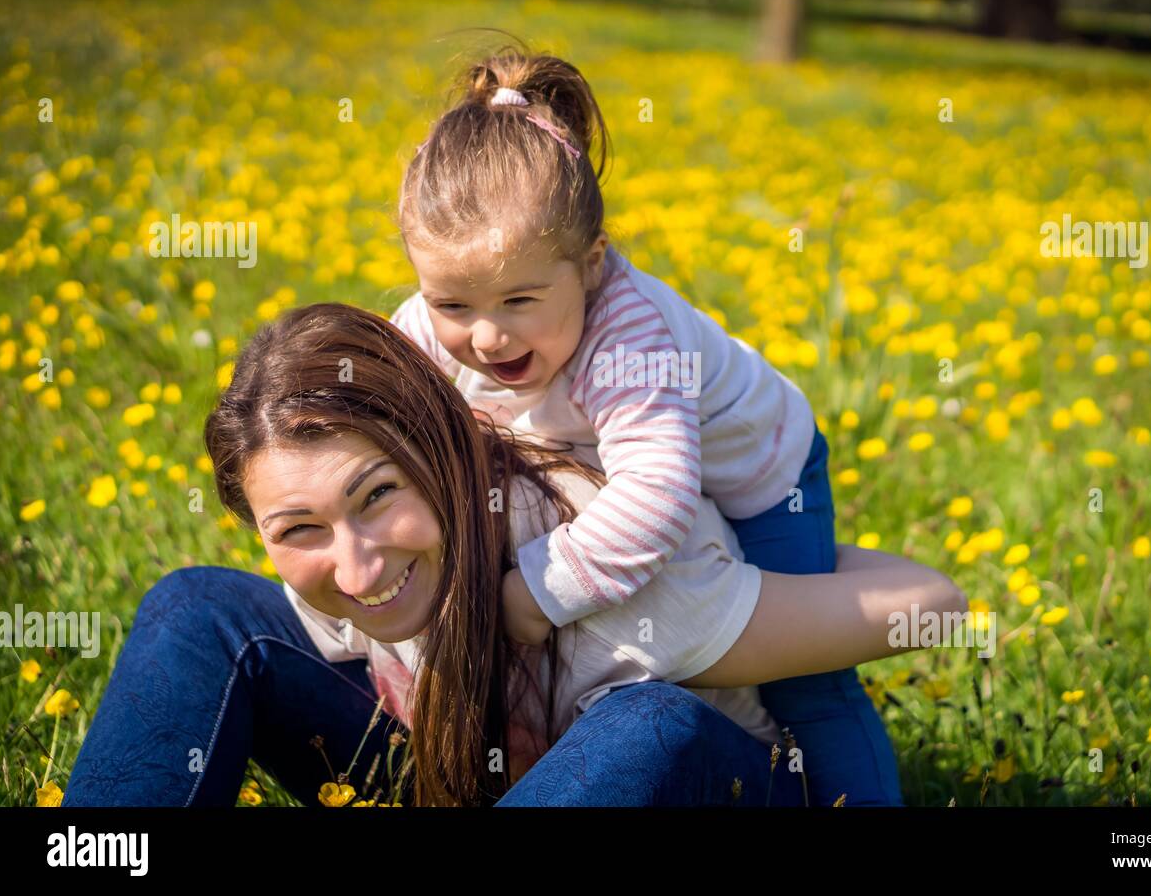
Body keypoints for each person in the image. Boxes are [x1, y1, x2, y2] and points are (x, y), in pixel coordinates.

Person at [65, 303, 967, 807]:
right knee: (195, 609)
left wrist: (750, 546)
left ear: (446, 449)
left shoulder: (618, 570)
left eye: (378, 496)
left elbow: (935, 603)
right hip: (471, 780)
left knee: (645, 726)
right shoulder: (348, 568)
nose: (358, 571)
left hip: (696, 793)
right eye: (298, 530)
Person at [395, 41, 897, 804]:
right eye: (453, 305)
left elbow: (657, 501)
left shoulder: (629, 338)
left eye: (520, 302)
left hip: (762, 480)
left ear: (593, 264)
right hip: (615, 451)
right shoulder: (427, 327)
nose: (486, 337)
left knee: (805, 681)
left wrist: (534, 592)